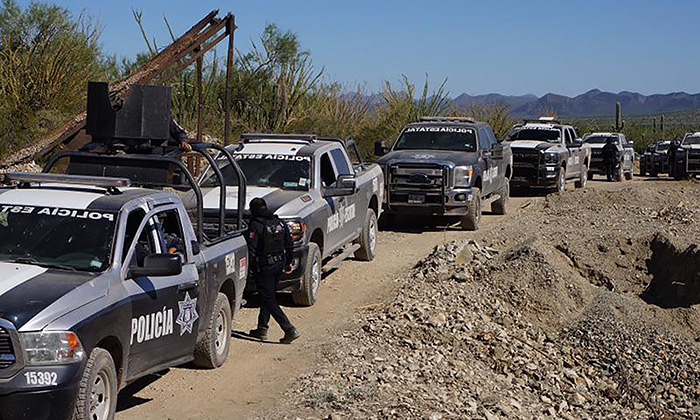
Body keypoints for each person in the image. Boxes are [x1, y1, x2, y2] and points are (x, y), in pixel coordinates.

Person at [246, 197, 300, 344]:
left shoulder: (256, 225)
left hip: (265, 267)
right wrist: (288, 262)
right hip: (279, 264)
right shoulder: (279, 222)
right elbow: (289, 244)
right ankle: (262, 328)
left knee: (269, 298)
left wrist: (249, 269)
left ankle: (288, 329)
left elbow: (252, 249)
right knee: (267, 295)